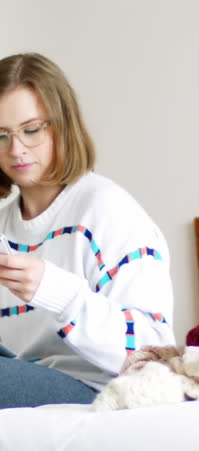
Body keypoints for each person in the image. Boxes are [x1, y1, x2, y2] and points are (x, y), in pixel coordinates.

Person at [0, 52, 175, 408]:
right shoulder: (4, 224)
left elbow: (155, 351)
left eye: (31, 130)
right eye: (0, 135)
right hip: (18, 375)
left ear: (62, 125)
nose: (16, 149)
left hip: (94, 387)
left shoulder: (107, 210)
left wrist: (58, 292)